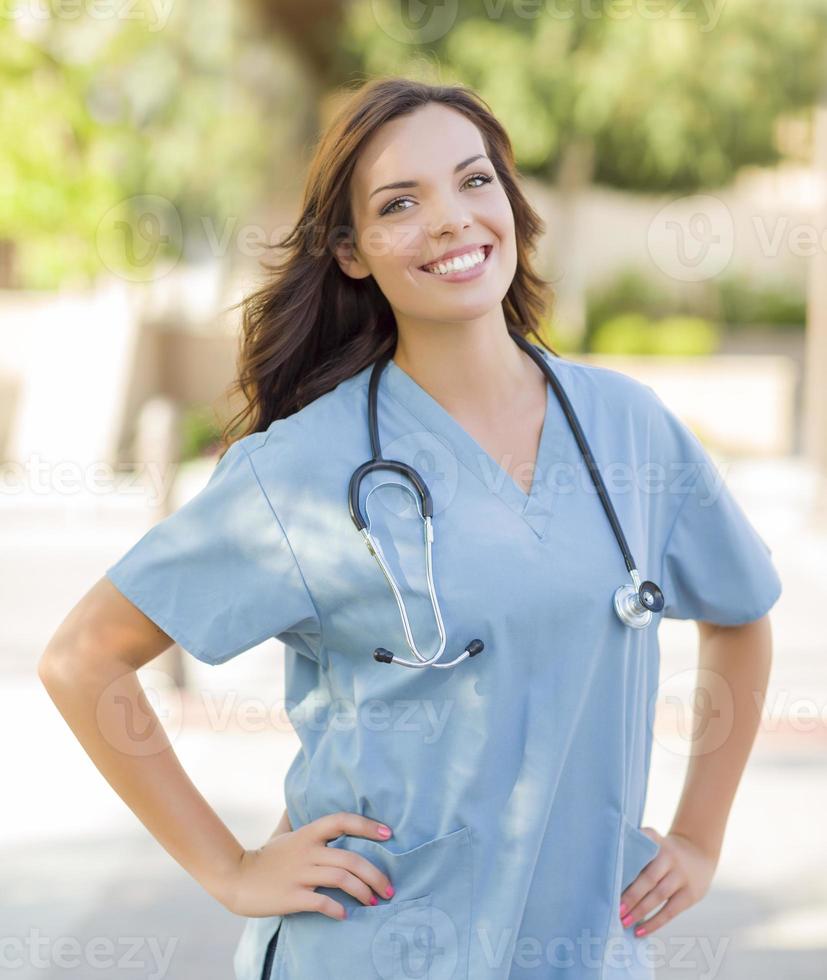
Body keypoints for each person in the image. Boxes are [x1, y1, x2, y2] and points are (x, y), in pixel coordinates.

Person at [38, 77, 782, 980]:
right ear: (351, 252)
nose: (450, 220)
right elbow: (83, 658)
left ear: (510, 201)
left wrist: (699, 839)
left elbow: (739, 615)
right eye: (400, 203)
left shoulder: (629, 429)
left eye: (475, 182)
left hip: (579, 952)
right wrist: (229, 868)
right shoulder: (303, 468)